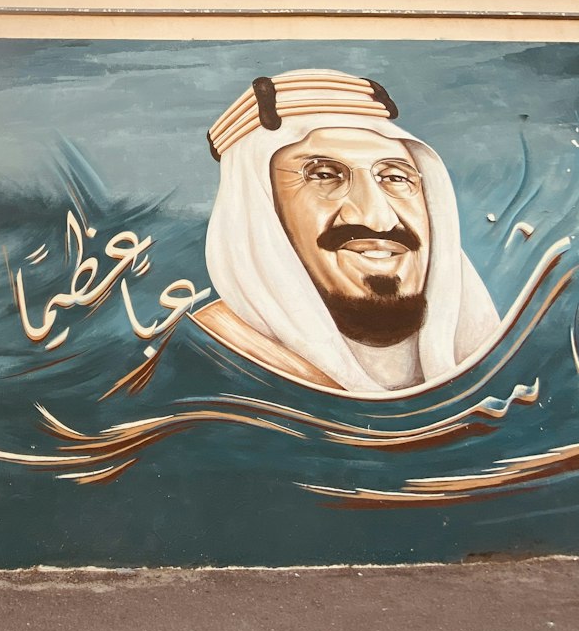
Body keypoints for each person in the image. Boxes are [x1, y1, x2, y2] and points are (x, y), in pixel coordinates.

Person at [190, 68, 500, 394]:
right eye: (324, 175)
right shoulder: (205, 369)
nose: (378, 218)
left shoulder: (492, 380)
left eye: (395, 177)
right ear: (260, 212)